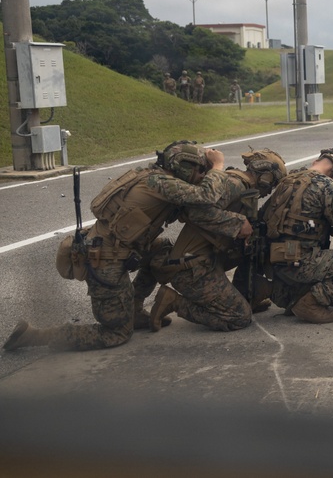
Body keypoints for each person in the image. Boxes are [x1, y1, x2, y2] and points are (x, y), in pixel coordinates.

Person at [3, 142, 229, 352]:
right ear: (182, 167)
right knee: (116, 334)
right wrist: (218, 166)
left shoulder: (152, 176)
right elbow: (206, 195)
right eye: (200, 170)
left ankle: (134, 309)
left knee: (161, 251)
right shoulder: (162, 184)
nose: (203, 175)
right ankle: (34, 336)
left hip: (121, 249)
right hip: (105, 262)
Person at [141, 149, 287, 332]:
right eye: (273, 182)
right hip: (191, 270)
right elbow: (196, 212)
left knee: (252, 250)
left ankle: (242, 297)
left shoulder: (245, 188)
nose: (270, 189)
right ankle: (173, 302)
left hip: (203, 261)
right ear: (266, 176)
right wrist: (237, 223)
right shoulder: (235, 184)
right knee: (239, 317)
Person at [259, 148, 333, 323]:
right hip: (302, 262)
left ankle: (277, 291)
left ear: (316, 161)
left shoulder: (287, 180)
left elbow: (263, 215)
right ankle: (311, 303)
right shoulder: (326, 185)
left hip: (278, 258)